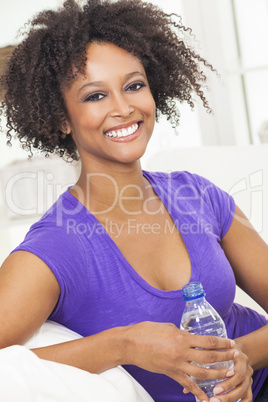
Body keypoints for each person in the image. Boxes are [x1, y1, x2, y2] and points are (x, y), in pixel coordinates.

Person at [0, 0, 267, 401]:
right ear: (61, 117)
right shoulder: (56, 249)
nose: (124, 109)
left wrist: (238, 357)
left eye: (134, 85)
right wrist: (125, 345)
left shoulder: (198, 194)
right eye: (94, 96)